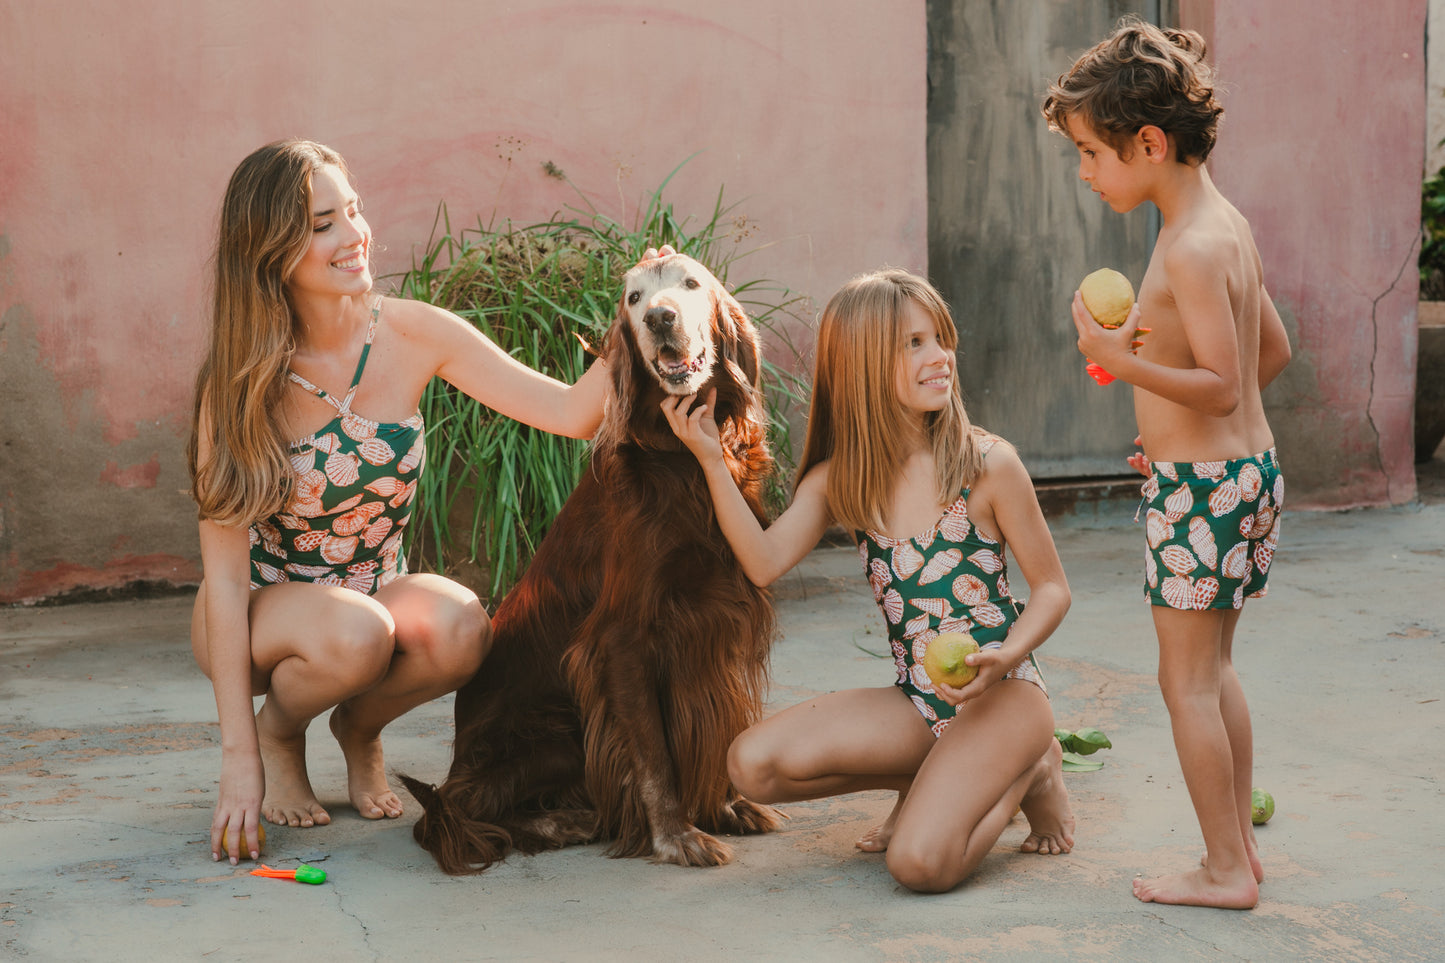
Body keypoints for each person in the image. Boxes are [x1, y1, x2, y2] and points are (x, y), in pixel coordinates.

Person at [187, 139, 618, 864]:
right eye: (324, 222)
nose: (354, 235)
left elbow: (574, 412)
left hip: (372, 592)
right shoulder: (238, 381)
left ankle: (357, 727)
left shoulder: (411, 332)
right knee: (355, 632)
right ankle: (279, 729)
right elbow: (225, 579)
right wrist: (239, 757)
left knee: (461, 627)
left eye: (352, 211)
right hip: (261, 605)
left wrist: (645, 302)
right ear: (269, 249)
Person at [661, 269, 1075, 894]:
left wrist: (1008, 654)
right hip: (919, 701)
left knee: (919, 865)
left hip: (1006, 694)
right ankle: (935, 774)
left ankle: (1033, 769)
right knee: (751, 765)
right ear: (861, 365)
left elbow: (1052, 589)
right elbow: (765, 562)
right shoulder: (840, 479)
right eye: (913, 344)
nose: (940, 357)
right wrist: (710, 459)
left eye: (941, 339)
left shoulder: (988, 464)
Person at [1043, 17, 1292, 909]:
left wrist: (1116, 359)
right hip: (1240, 478)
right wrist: (1166, 432)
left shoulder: (1185, 247)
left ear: (1147, 143)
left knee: (1181, 680)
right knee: (1213, 669)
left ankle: (1223, 868)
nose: (1084, 172)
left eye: (1089, 154)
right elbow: (1273, 352)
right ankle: (1238, 851)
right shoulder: (1225, 225)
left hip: (1202, 495)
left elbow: (1222, 384)